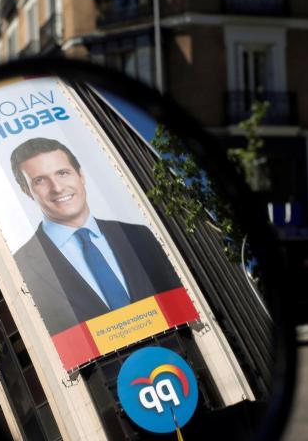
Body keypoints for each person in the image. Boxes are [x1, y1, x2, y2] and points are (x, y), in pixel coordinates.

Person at [11, 137, 183, 335]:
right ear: (27, 191)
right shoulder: (23, 265)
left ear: (81, 176)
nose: (57, 188)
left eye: (63, 173)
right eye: (40, 180)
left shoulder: (138, 235)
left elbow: (173, 297)